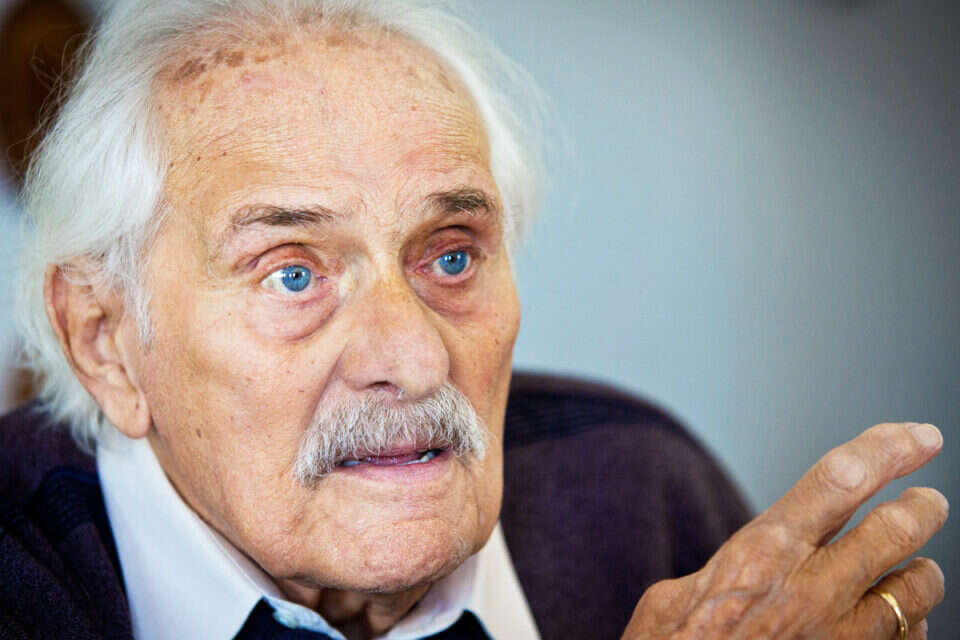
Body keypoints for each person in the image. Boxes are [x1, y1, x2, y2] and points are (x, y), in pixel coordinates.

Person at [1, 1, 946, 639]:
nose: (415, 357)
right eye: (293, 274)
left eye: (450, 257)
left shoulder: (640, 484)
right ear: (106, 342)